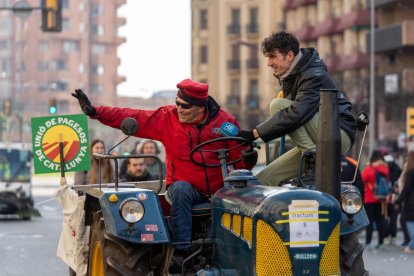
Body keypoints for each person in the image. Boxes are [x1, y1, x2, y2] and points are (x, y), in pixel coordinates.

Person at [71, 78, 257, 255]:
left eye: (185, 106)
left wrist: (249, 158)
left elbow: (240, 161)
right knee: (182, 189)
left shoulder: (226, 123)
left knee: (248, 194)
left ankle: (242, 251)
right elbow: (130, 115)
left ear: (201, 108)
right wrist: (95, 111)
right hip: (186, 189)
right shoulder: (167, 118)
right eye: (177, 103)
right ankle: (181, 250)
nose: (179, 109)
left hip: (220, 190)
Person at [236, 31, 356, 186]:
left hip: (338, 133)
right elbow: (291, 119)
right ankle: (313, 157)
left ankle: (313, 158)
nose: (268, 63)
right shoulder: (292, 75)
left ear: (290, 56)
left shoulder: (313, 74)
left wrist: (253, 134)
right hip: (317, 140)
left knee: (277, 105)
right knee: (262, 180)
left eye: (273, 56)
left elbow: (297, 114)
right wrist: (253, 141)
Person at [361, 150, 389, 250]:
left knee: (370, 221)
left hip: (370, 198)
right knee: (380, 221)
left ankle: (368, 243)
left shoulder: (369, 168)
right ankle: (381, 242)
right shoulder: (385, 168)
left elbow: (362, 179)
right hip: (381, 199)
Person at [395, 151, 414, 253]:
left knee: (409, 223)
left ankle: (411, 245)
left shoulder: (410, 172)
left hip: (411, 204)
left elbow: (406, 189)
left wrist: (398, 201)